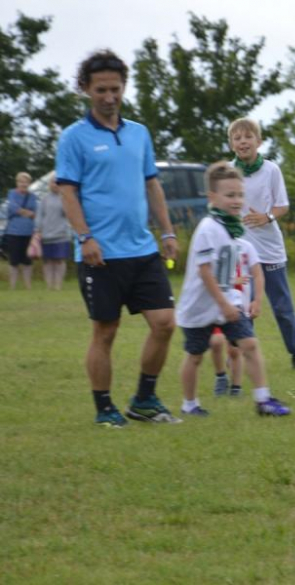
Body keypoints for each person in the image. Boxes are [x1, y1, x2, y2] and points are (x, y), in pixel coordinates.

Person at [55, 50, 180, 428]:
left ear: (124, 87)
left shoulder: (139, 133)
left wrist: (168, 230)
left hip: (142, 248)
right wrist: (85, 237)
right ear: (86, 90)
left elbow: (151, 185)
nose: (110, 97)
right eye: (102, 90)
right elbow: (67, 192)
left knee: (165, 323)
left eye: (116, 89)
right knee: (105, 331)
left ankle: (144, 399)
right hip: (100, 254)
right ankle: (104, 408)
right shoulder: (73, 138)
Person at [175, 161, 291, 417]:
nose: (237, 200)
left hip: (228, 304)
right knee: (195, 356)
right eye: (230, 195)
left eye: (240, 195)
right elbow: (204, 272)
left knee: (249, 344)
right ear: (212, 197)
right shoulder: (209, 229)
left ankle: (263, 400)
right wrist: (224, 304)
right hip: (200, 307)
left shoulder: (233, 230)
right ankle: (189, 404)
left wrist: (236, 300)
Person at [227, 118, 295, 369]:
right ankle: (240, 353)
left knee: (282, 307)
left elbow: (282, 205)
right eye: (237, 138)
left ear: (258, 141)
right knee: (241, 305)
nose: (243, 142)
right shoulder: (229, 172)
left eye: (248, 137)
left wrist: (266, 217)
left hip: (271, 252)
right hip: (241, 254)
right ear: (232, 145)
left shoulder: (272, 170)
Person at [34, 175, 71, 290]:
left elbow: (69, 215)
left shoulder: (65, 198)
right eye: (53, 182)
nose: (55, 185)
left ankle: (58, 285)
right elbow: (39, 216)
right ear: (49, 184)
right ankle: (49, 286)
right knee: (48, 261)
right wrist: (37, 230)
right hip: (46, 235)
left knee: (60, 260)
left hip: (62, 234)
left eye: (57, 182)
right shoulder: (44, 199)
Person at [5, 172, 38, 290]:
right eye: (21, 181)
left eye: (26, 181)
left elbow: (35, 211)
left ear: (29, 183)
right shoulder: (11, 194)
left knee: (27, 261)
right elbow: (13, 208)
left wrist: (23, 211)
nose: (23, 184)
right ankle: (12, 286)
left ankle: (28, 286)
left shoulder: (33, 196)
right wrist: (27, 212)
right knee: (14, 260)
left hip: (28, 232)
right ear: (17, 182)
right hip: (14, 232)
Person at [210, 328, 243, 397]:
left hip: (234, 318)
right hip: (214, 318)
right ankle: (221, 377)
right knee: (216, 342)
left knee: (234, 350)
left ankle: (236, 387)